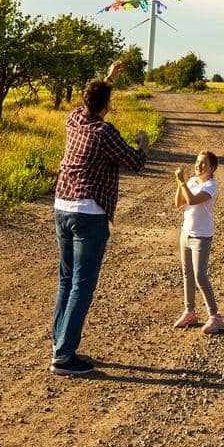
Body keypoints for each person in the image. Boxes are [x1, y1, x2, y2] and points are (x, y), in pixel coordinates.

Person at [50, 59, 149, 376]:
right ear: (107, 105)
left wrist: (109, 78)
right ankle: (64, 357)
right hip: (88, 212)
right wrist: (143, 145)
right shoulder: (104, 132)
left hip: (62, 206)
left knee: (67, 281)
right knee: (82, 284)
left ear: (84, 101)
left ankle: (60, 344)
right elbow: (134, 162)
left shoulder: (74, 119)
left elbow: (90, 103)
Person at [172, 149, 224, 334]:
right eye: (197, 161)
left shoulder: (210, 186)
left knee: (200, 275)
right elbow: (179, 203)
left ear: (212, 168)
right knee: (187, 274)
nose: (198, 165)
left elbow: (192, 200)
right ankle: (190, 312)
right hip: (186, 233)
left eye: (204, 163)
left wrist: (181, 181)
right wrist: (181, 184)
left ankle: (215, 317)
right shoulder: (193, 181)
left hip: (201, 236)